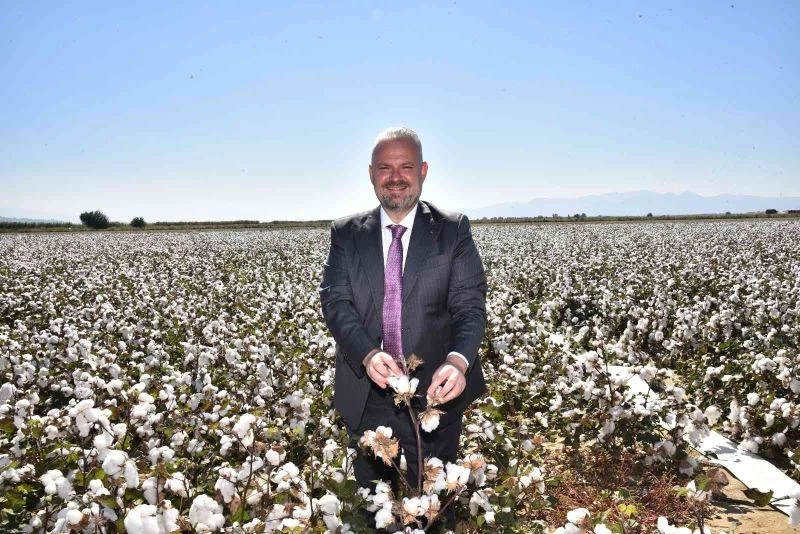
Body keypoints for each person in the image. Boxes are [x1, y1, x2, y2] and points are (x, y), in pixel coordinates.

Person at [319, 127, 488, 528]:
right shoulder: (345, 234)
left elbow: (469, 306)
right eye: (385, 167)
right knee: (374, 509)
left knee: (432, 510)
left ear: (423, 170)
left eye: (406, 166)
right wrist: (367, 351)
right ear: (371, 173)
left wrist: (459, 361)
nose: (395, 176)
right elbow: (336, 301)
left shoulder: (452, 229)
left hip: (435, 397)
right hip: (367, 394)